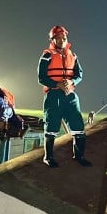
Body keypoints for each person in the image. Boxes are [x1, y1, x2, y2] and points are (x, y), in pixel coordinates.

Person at [38, 25, 91, 168]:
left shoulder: (73, 56)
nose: (61, 40)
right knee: (51, 127)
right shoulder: (47, 56)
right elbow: (41, 77)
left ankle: (79, 156)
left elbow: (79, 74)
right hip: (54, 96)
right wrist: (57, 84)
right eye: (58, 38)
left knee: (78, 127)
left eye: (64, 38)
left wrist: (71, 81)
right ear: (52, 39)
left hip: (70, 95)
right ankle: (48, 157)